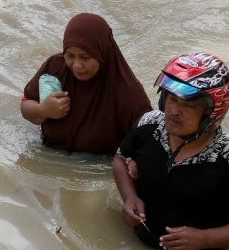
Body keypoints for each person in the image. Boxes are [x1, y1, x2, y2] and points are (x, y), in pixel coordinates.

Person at [112, 52, 229, 250]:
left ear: (211, 113)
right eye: (171, 99)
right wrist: (130, 197)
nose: (174, 110)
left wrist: (204, 239)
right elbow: (120, 159)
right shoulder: (149, 124)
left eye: (188, 105)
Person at [21, 13, 151, 154]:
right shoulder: (55, 69)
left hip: (97, 167)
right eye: (70, 55)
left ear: (103, 55)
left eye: (85, 57)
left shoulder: (128, 94)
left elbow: (147, 142)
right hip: (49, 155)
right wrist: (43, 110)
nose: (77, 65)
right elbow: (25, 105)